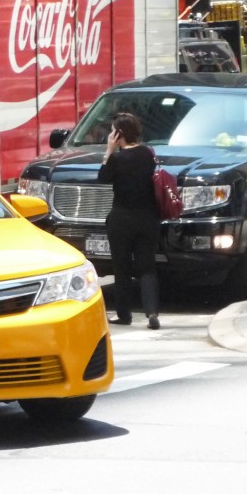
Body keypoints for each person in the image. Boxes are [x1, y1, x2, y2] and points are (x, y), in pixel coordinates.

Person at [98, 112, 161, 330]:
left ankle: (124, 314)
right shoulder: (148, 154)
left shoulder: (116, 159)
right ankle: (152, 312)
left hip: (122, 219)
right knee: (147, 268)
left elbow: (102, 178)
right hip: (148, 217)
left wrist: (109, 151)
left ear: (118, 134)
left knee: (122, 267)